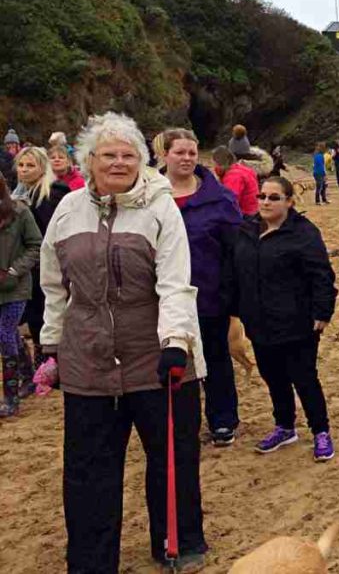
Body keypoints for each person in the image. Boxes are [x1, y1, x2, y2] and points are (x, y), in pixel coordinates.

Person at [39, 112, 208, 571]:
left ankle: (178, 540)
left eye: (128, 155)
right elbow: (55, 285)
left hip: (157, 356)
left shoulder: (160, 206)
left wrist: (175, 341)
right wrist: (51, 344)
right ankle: (92, 559)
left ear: (142, 159)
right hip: (88, 358)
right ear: (88, 161)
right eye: (108, 155)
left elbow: (176, 281)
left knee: (172, 456)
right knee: (88, 468)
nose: (119, 162)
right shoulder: (67, 210)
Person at [229, 176, 338, 461]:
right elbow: (235, 273)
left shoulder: (304, 233)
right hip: (259, 321)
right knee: (273, 377)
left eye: (274, 197)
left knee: (304, 378)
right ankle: (285, 426)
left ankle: (320, 431)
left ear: (289, 201)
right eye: (262, 196)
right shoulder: (246, 229)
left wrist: (323, 312)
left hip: (297, 323)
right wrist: (235, 309)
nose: (265, 202)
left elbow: (322, 275)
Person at [162, 128, 243, 447]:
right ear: (164, 155)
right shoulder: (147, 196)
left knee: (215, 359)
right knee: (170, 363)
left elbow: (234, 251)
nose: (185, 158)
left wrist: (232, 298)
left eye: (191, 153)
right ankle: (177, 423)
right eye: (179, 152)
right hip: (162, 300)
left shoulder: (220, 198)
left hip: (210, 296)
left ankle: (223, 420)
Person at [12, 146, 69, 367]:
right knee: (34, 316)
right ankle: (38, 363)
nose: (24, 170)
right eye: (21, 165)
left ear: (42, 167)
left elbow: (50, 234)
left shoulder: (50, 195)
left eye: (30, 165)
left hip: (46, 263)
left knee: (44, 314)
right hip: (27, 265)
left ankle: (47, 362)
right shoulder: (18, 194)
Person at [0, 175, 42, 417]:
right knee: (9, 334)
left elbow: (35, 244)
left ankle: (11, 397)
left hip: (15, 287)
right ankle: (27, 376)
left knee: (5, 334)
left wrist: (15, 270)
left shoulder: (19, 212)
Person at [213, 146, 259, 215]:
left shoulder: (233, 177)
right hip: (254, 210)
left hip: (246, 215)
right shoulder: (242, 169)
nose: (214, 167)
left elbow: (229, 203)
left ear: (220, 164)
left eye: (215, 164)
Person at [312, 141, 330, 205]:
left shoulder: (318, 155)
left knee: (324, 186)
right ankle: (317, 201)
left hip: (318, 172)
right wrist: (324, 174)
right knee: (319, 187)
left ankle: (324, 199)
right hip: (319, 173)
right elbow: (321, 166)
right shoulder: (319, 156)